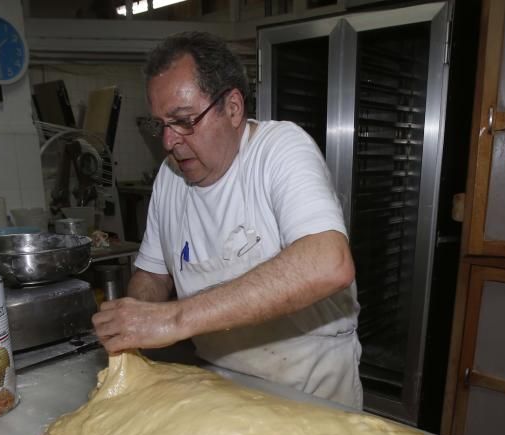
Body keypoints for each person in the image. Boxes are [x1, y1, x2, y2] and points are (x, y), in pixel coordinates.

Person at [92, 31, 363, 409]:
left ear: (233, 108)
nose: (169, 142)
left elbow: (328, 263)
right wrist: (134, 323)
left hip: (308, 384)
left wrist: (173, 320)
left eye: (184, 121)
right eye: (160, 125)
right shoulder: (170, 177)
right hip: (217, 386)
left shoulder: (279, 150)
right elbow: (153, 275)